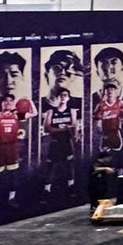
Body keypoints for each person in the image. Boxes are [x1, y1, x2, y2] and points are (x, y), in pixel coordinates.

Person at [0, 51, 33, 175]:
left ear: (22, 78)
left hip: (23, 171)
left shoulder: (29, 112)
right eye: (2, 75)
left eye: (14, 74)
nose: (9, 81)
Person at [40, 50, 84, 196]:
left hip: (67, 142)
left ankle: (70, 188)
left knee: (69, 165)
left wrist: (73, 131)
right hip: (52, 143)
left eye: (68, 69)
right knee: (51, 166)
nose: (63, 72)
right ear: (46, 74)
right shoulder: (41, 104)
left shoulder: (78, 104)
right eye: (58, 68)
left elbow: (74, 125)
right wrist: (63, 128)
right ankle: (46, 190)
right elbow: (47, 128)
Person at [91, 47, 123, 154]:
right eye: (104, 63)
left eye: (114, 62)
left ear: (122, 68)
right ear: (97, 72)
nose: (108, 68)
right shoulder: (90, 99)